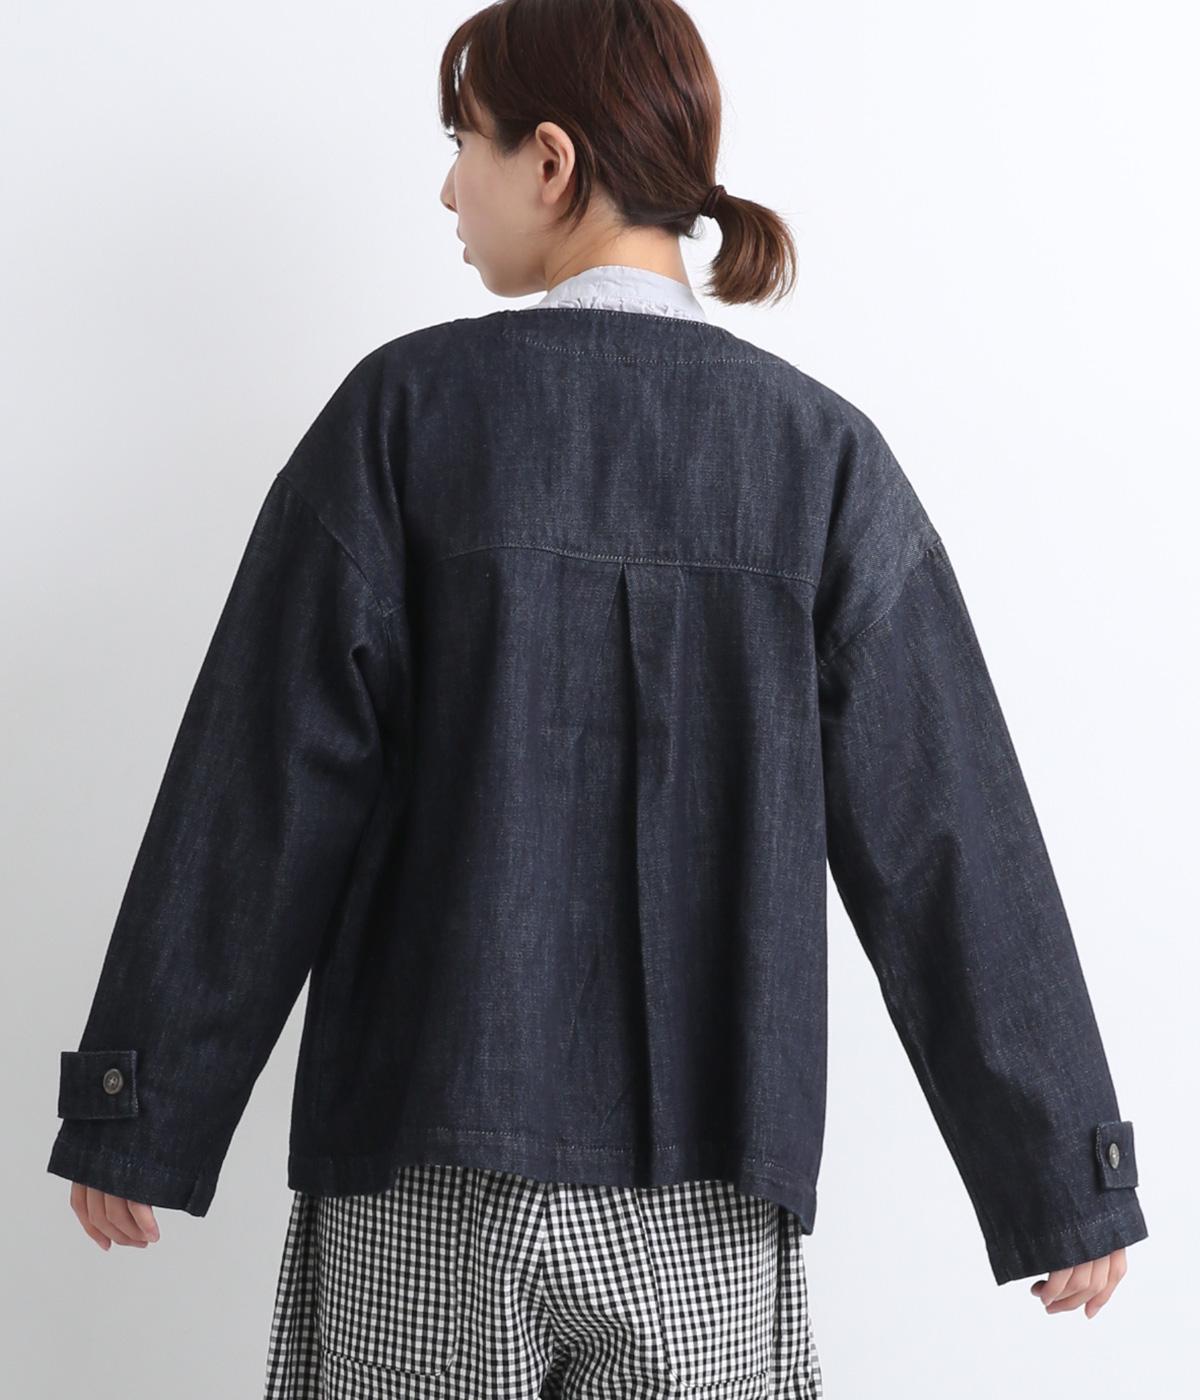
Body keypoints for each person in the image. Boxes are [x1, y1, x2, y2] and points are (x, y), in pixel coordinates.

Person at [48, 2, 1147, 1395]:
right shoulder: (818, 459)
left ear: (552, 162)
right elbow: (946, 828)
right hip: (711, 1194)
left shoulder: (403, 419)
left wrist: (141, 1098)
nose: (450, 188)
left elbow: (264, 783)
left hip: (422, 1178)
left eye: (465, 143)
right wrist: (1061, 1167)